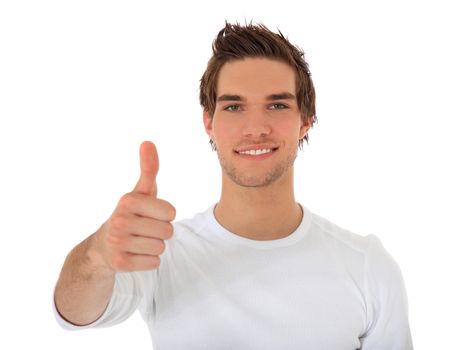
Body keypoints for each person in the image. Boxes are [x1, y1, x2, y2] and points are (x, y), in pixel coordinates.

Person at [54, 22, 413, 349]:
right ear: (208, 122)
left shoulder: (367, 266)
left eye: (276, 104)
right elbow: (73, 315)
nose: (255, 127)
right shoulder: (161, 253)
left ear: (305, 121)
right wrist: (98, 253)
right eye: (233, 107)